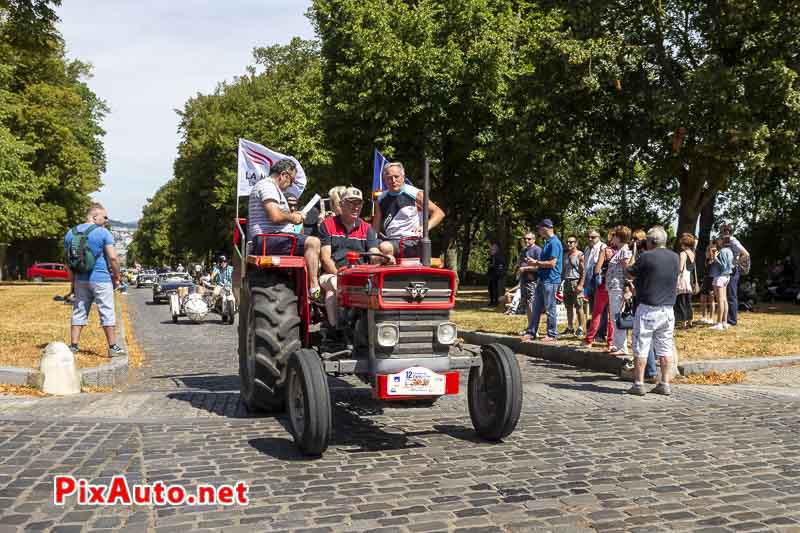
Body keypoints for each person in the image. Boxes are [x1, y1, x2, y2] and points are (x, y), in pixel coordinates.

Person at [247, 158, 322, 299]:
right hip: (269, 239)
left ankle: (305, 287)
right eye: (291, 180)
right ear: (283, 175)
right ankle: (314, 289)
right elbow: (275, 216)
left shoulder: (270, 188)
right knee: (314, 242)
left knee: (318, 247)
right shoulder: (268, 186)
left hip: (275, 238)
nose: (291, 185)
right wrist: (294, 217)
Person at [318, 187, 388, 326]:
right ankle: (335, 330)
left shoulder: (366, 228)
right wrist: (340, 275)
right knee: (334, 286)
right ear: (342, 204)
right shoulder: (328, 225)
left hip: (359, 277)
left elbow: (373, 254)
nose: (356, 207)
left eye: (359, 203)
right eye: (352, 203)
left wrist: (384, 258)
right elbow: (325, 258)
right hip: (333, 273)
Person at [63, 203, 125, 357]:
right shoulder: (103, 233)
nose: (106, 220)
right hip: (101, 278)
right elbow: (112, 257)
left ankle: (74, 346)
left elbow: (67, 262)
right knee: (106, 310)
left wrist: (73, 283)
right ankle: (112, 347)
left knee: (79, 310)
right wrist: (117, 277)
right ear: (94, 216)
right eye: (104, 217)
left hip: (80, 279)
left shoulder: (70, 233)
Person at [625, 226, 680, 396]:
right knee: (664, 347)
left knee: (641, 345)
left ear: (651, 241)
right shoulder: (675, 257)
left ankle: (639, 383)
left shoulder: (645, 256)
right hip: (668, 309)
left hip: (648, 307)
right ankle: (664, 383)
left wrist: (634, 251)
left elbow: (629, 271)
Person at [373, 162, 445, 259]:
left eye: (396, 176)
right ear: (384, 180)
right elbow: (375, 228)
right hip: (390, 241)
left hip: (411, 241)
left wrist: (425, 227)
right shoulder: (380, 199)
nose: (393, 180)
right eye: (389, 178)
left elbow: (439, 213)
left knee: (384, 248)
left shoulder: (415, 194)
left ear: (403, 177)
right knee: (373, 252)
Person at [522, 219, 563, 342]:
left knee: (550, 308)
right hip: (542, 279)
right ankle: (531, 332)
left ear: (546, 228)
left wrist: (536, 263)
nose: (539, 231)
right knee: (536, 307)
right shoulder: (547, 242)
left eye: (540, 228)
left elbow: (552, 263)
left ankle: (552, 334)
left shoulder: (555, 243)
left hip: (551, 280)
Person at [602, 226, 633, 355]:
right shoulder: (619, 251)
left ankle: (622, 347)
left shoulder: (624, 251)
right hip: (613, 287)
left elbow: (628, 272)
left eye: (614, 235)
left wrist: (627, 288)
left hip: (618, 287)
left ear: (619, 237)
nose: (612, 238)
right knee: (614, 316)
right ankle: (616, 344)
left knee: (617, 316)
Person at [719, 224, 750, 326]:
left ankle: (732, 320)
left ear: (727, 231)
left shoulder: (732, 240)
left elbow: (746, 253)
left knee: (731, 295)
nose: (722, 233)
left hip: (733, 270)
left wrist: (735, 262)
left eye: (723, 231)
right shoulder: (727, 240)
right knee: (728, 295)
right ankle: (727, 319)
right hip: (729, 270)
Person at [583, 229, 608, 341]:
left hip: (599, 277)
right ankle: (594, 331)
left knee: (602, 308)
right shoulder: (587, 248)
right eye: (589, 236)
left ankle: (601, 333)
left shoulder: (603, 247)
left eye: (593, 237)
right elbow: (586, 266)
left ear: (599, 237)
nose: (590, 239)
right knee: (593, 307)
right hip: (589, 277)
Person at [561, 235, 585, 337]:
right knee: (568, 306)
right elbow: (563, 271)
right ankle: (570, 327)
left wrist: (580, 284)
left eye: (571, 242)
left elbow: (584, 271)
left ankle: (580, 328)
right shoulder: (565, 255)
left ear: (576, 243)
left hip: (576, 281)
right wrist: (560, 282)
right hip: (567, 281)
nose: (569, 244)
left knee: (579, 306)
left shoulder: (580, 255)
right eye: (567, 242)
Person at [709, 238, 734, 330]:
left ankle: (719, 323)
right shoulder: (730, 251)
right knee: (724, 300)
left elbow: (723, 266)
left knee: (720, 300)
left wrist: (715, 258)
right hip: (727, 276)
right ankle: (724, 322)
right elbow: (731, 265)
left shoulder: (722, 251)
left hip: (720, 276)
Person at [518, 233, 541, 326]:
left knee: (532, 303)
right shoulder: (523, 250)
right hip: (524, 280)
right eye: (525, 239)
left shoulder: (538, 250)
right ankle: (530, 326)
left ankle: (534, 328)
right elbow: (520, 263)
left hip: (533, 281)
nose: (526, 241)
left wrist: (526, 269)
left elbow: (540, 267)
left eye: (529, 239)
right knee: (527, 303)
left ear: (534, 239)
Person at [674, 233, 697, 328]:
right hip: (690, 279)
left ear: (684, 243)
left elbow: (680, 268)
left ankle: (683, 322)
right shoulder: (692, 253)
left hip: (683, 279)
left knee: (681, 301)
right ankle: (690, 321)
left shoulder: (683, 253)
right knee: (688, 301)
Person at [699, 244, 717, 324]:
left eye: (708, 251)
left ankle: (711, 318)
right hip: (706, 279)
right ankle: (703, 316)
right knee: (703, 299)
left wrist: (714, 255)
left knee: (711, 300)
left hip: (712, 280)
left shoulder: (715, 260)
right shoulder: (706, 260)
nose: (707, 252)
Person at [487, 242, 507, 307]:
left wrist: (498, 271)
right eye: (491, 249)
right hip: (492, 275)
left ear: (497, 249)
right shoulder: (492, 256)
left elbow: (501, 265)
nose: (491, 250)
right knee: (491, 288)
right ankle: (492, 301)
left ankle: (497, 302)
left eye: (493, 249)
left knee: (497, 289)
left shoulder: (499, 256)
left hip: (498, 276)